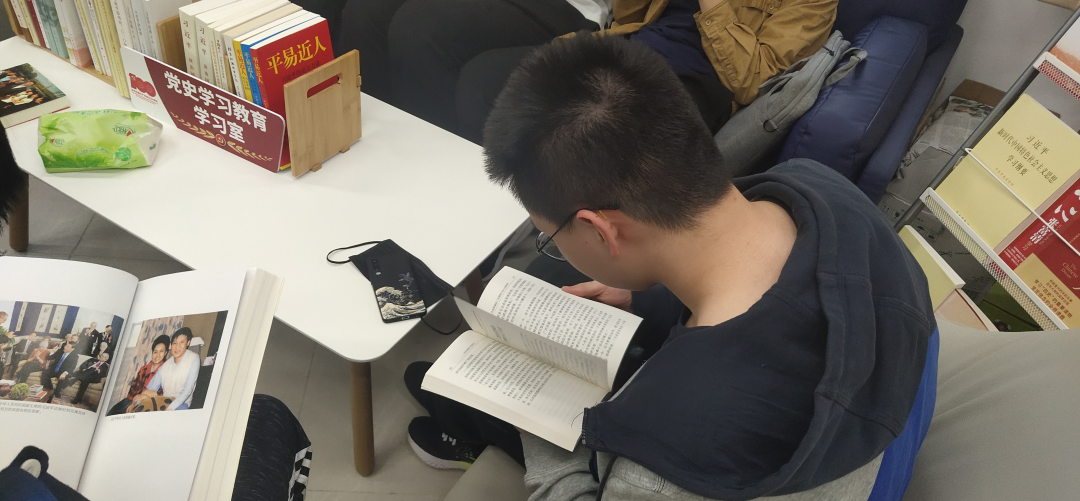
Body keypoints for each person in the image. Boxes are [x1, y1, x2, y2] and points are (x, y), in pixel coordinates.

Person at [410, 35, 935, 500]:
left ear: (600, 230)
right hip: (870, 412)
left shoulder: (667, 452)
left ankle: (459, 420)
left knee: (465, 396)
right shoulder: (819, 188)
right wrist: (647, 298)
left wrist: (540, 422)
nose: (555, 247)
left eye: (552, 237)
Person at [336, 0, 835, 143]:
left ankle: (496, 222)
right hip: (627, 44)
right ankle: (464, 191)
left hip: (690, 83)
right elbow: (630, 17)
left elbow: (750, 80)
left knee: (486, 79)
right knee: (487, 76)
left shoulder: (814, 3)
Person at [107, 334, 169, 416]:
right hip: (133, 400)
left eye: (161, 351)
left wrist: (144, 396)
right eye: (155, 352)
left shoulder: (166, 371)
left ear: (165, 353)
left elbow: (162, 397)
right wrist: (143, 393)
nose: (157, 355)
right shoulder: (144, 369)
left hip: (148, 404)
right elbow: (132, 391)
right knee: (112, 413)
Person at [140, 328, 200, 411]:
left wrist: (171, 408)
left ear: (188, 343)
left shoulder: (194, 358)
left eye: (182, 342)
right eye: (174, 343)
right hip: (164, 402)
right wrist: (136, 402)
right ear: (171, 346)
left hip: (182, 404)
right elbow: (150, 389)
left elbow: (188, 390)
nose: (177, 347)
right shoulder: (164, 366)